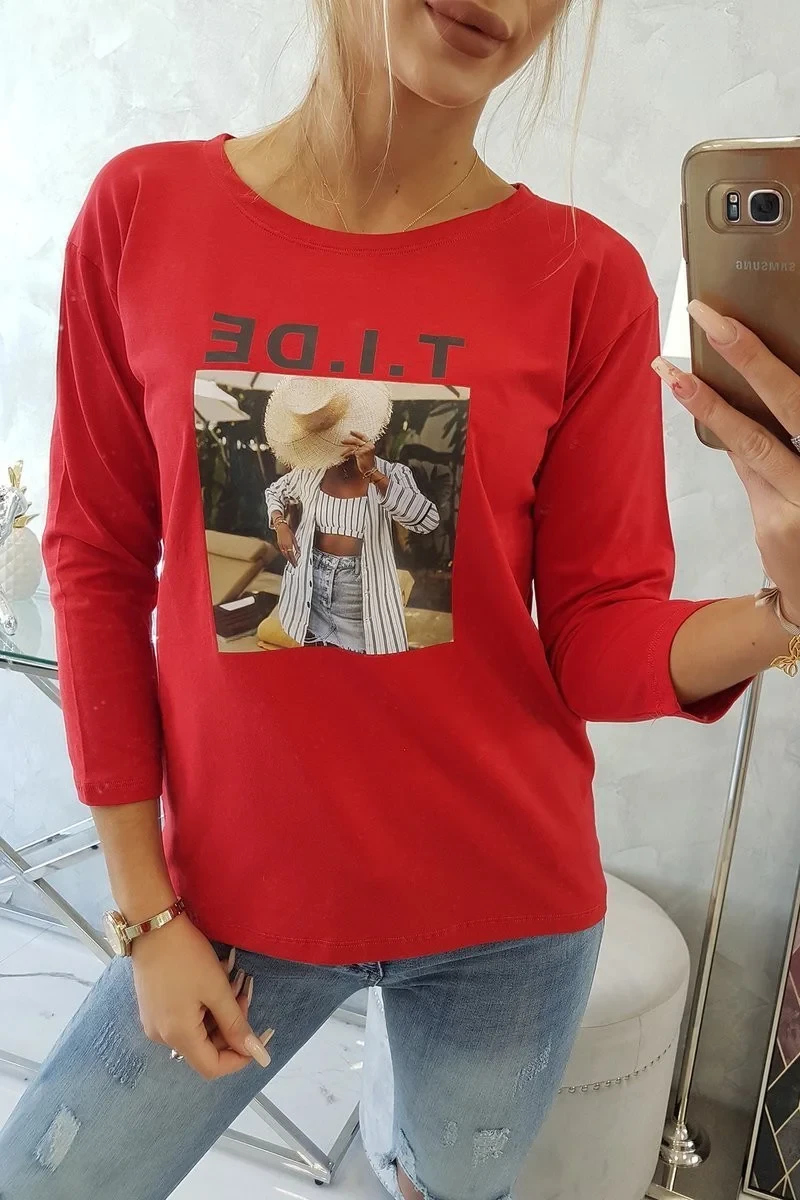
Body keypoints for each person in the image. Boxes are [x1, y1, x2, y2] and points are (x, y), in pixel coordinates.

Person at [2, 1, 800, 1197]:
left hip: (506, 919)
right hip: (226, 894)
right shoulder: (144, 208)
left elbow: (593, 638)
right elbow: (98, 562)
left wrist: (786, 609)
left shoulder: (582, 278)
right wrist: (145, 912)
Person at [262, 375, 440, 654]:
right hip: (310, 586)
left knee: (360, 671)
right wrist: (280, 524)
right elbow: (275, 492)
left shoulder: (391, 473)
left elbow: (427, 521)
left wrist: (373, 474)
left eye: (336, 432)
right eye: (324, 437)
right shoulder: (311, 472)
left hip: (359, 595)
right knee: (317, 664)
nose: (332, 443)